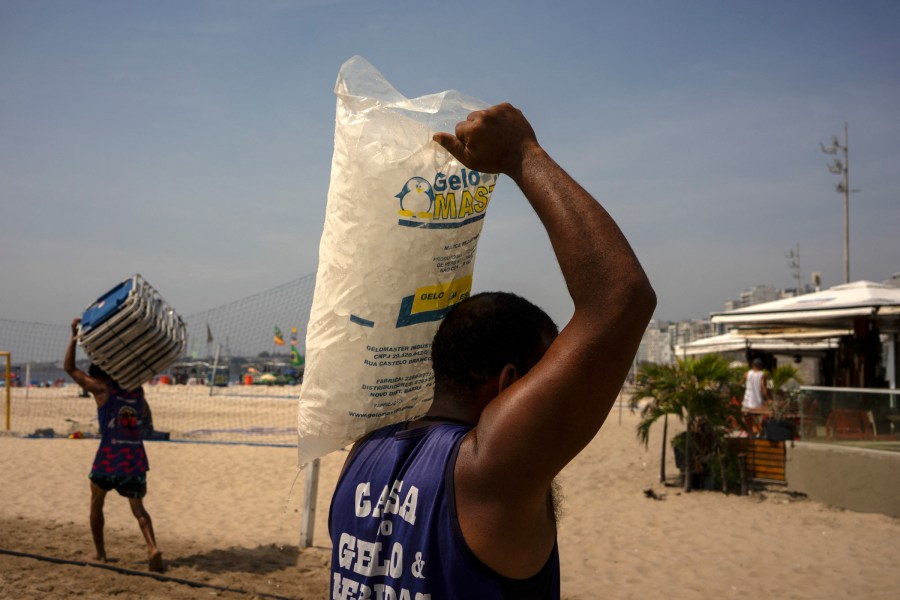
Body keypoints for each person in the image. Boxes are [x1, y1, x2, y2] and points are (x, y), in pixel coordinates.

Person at [328, 103, 656, 598]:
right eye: (547, 371)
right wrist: (523, 154)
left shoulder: (362, 454)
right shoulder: (488, 469)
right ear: (508, 383)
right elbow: (621, 300)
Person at [64, 318, 163, 572]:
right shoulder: (136, 392)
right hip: (135, 459)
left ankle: (99, 553)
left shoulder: (101, 390)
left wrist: (74, 335)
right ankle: (152, 547)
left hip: (108, 458)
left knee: (96, 502)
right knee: (139, 508)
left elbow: (70, 369)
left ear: (99, 375)